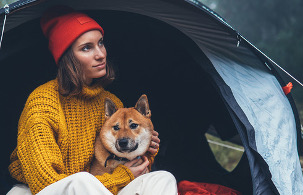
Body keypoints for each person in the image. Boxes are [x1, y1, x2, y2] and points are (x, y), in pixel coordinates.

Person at [7, 6, 177, 195]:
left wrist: (144, 150)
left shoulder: (110, 102)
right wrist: (122, 177)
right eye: (87, 48)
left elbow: (119, 163)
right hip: (39, 191)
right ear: (67, 57)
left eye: (101, 43)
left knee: (162, 178)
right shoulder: (43, 102)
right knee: (82, 181)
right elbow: (45, 181)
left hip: (97, 188)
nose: (101, 54)